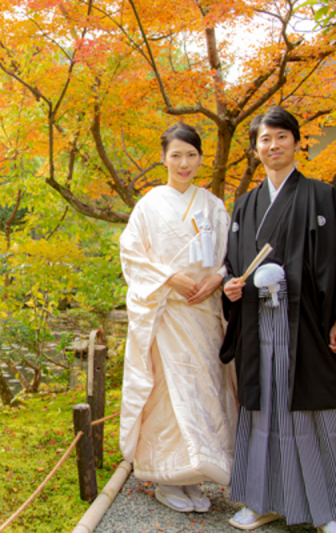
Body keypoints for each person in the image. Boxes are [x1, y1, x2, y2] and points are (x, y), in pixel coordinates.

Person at [220, 106, 336, 533]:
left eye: (281, 137)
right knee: (263, 414)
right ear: (255, 148)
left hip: (308, 326)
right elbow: (234, 267)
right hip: (259, 327)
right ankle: (262, 501)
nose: (273, 145)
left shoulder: (322, 196)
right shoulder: (244, 206)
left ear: (296, 142)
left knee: (312, 412)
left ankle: (326, 508)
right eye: (264, 139)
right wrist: (232, 288)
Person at [118, 123, 238, 514]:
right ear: (163, 157)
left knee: (205, 391)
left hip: (204, 312)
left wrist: (216, 279)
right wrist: (171, 278)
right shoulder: (149, 204)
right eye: (176, 155)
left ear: (201, 158)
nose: (184, 163)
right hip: (167, 312)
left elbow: (228, 255)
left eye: (191, 155)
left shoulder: (213, 205)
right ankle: (169, 476)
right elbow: (133, 254)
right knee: (169, 393)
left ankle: (194, 475)